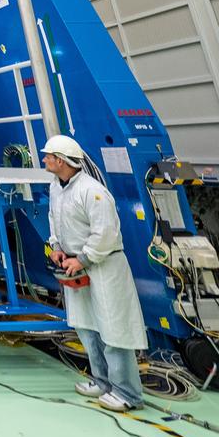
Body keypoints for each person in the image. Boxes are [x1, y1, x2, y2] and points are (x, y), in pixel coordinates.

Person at [43, 133, 147, 413]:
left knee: (114, 330)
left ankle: (128, 393)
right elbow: (55, 218)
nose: (44, 160)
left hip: (103, 267)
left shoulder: (93, 191)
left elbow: (106, 233)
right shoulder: (56, 187)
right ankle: (101, 381)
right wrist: (57, 247)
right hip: (75, 265)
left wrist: (84, 258)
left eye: (49, 157)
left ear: (63, 161)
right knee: (87, 327)